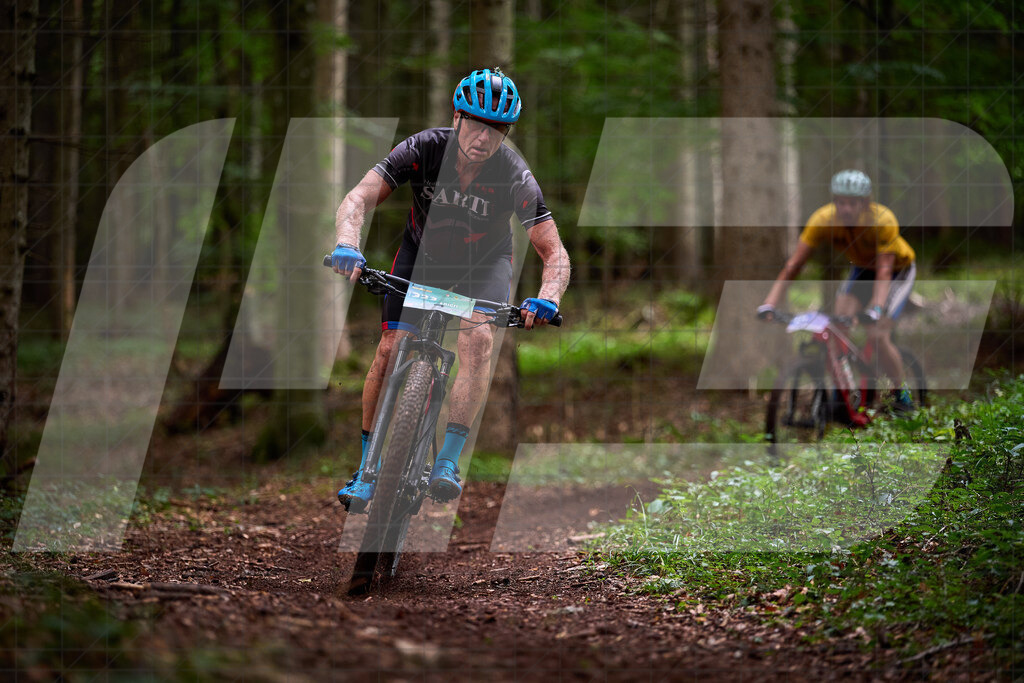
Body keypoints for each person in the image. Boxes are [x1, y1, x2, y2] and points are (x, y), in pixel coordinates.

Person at [330, 68, 570, 512]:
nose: (483, 138)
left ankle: (447, 462)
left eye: (496, 130)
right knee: (389, 348)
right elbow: (359, 197)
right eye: (476, 124)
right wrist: (347, 242)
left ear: (505, 134)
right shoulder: (423, 148)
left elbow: (553, 250)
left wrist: (549, 297)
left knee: (477, 342)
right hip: (421, 260)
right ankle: (366, 467)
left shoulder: (514, 173)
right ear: (457, 117)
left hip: (483, 267)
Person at [758, 169, 916, 410]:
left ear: (865, 203)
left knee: (878, 334)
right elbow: (794, 265)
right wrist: (769, 303)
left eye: (852, 203)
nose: (846, 209)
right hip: (863, 269)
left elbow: (884, 271)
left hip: (896, 271)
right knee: (837, 329)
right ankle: (843, 394)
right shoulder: (822, 220)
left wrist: (875, 308)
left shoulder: (882, 220)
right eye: (841, 202)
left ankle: (901, 394)